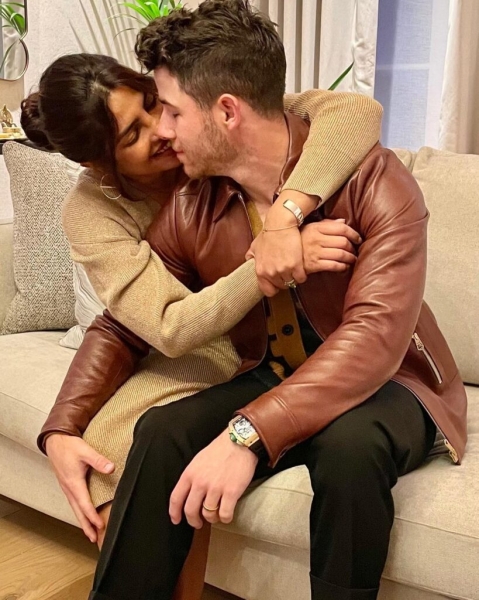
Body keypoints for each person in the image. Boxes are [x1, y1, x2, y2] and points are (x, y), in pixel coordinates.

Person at [36, 2, 467, 599]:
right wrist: (63, 425)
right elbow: (130, 324)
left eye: (169, 111)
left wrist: (246, 435)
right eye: (143, 126)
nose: (164, 131)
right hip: (273, 369)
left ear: (227, 111)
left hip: (395, 378)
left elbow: (374, 339)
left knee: (350, 448)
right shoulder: (197, 200)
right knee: (161, 430)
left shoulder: (375, 180)